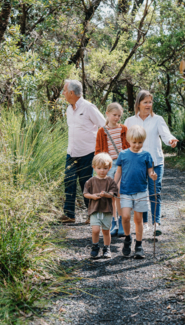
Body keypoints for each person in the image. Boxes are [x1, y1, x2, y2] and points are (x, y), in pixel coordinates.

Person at [124, 90, 178, 235]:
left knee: (155, 192)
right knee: (141, 193)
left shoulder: (157, 119)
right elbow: (125, 140)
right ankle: (143, 223)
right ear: (138, 104)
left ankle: (156, 223)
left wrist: (171, 141)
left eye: (150, 102)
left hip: (155, 161)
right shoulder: (130, 121)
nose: (148, 105)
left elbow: (166, 134)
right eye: (145, 102)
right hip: (137, 163)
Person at [59, 80, 106, 224]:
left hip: (88, 153)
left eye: (65, 91)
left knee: (86, 184)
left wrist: (101, 150)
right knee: (69, 181)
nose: (63, 93)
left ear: (72, 93)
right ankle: (69, 215)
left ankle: (92, 215)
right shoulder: (68, 109)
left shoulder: (88, 107)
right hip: (72, 153)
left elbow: (103, 125)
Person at [114, 125, 158, 259]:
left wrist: (152, 174)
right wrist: (113, 184)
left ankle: (139, 245)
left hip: (141, 191)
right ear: (128, 141)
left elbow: (150, 170)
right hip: (126, 191)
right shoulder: (123, 154)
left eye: (140, 142)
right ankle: (128, 238)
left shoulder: (146, 155)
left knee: (138, 219)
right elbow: (119, 171)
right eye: (134, 142)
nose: (137, 145)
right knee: (126, 216)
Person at [95, 102, 130, 237]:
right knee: (111, 195)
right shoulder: (101, 131)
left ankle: (121, 222)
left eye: (119, 116)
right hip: (108, 165)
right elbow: (98, 151)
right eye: (114, 115)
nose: (116, 118)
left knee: (119, 193)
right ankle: (114, 222)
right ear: (107, 114)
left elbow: (128, 147)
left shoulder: (124, 129)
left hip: (122, 164)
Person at [83, 153, 119, 258]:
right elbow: (85, 193)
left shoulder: (110, 181)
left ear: (109, 168)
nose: (102, 171)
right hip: (94, 210)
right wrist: (92, 196)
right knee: (95, 229)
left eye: (105, 168)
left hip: (107, 210)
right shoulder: (91, 181)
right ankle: (95, 246)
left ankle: (107, 248)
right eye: (99, 168)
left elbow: (113, 194)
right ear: (94, 167)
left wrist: (107, 194)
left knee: (106, 230)